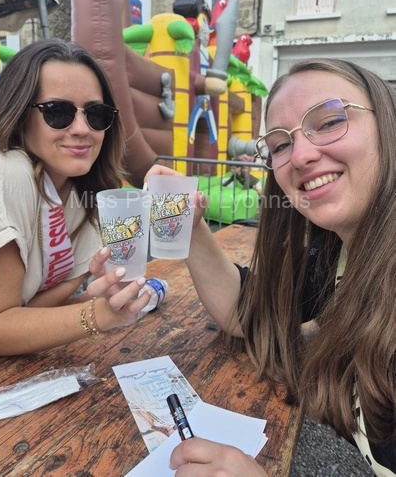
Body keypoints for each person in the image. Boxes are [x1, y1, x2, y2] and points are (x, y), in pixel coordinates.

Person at [145, 58, 396, 476]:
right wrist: (191, 227)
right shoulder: (337, 255)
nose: (300, 155)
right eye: (280, 145)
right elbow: (249, 314)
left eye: (330, 121)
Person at [0, 39, 152, 356]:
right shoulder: (5, 170)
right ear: (19, 114)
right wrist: (97, 315)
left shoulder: (88, 196)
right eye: (58, 111)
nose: (82, 129)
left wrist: (103, 299)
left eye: (96, 114)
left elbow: (29, 312)